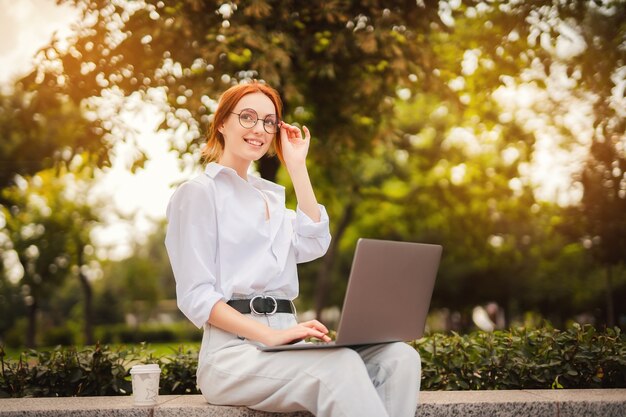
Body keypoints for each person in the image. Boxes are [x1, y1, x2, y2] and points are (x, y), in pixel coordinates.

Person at [165, 81, 421, 417]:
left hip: (287, 345)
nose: (260, 128)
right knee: (340, 365)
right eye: (247, 117)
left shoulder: (268, 197)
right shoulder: (199, 193)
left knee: (400, 358)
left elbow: (314, 241)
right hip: (233, 355)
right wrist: (269, 336)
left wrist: (297, 166)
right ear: (222, 123)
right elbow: (196, 296)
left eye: (269, 122)